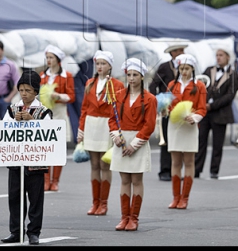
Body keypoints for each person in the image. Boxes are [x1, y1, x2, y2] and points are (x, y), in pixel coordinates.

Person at [1, 70, 53, 245]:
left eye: (28, 90)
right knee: (15, 196)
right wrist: (13, 122)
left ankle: (34, 231)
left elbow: (49, 133)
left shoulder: (44, 111)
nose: (24, 94)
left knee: (36, 198)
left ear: (36, 91)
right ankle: (15, 231)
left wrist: (32, 121)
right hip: (16, 159)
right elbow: (2, 130)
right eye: (21, 90)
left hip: (36, 162)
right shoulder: (11, 109)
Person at [110, 58, 157, 231]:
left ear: (142, 76)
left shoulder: (150, 99)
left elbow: (149, 125)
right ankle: (124, 217)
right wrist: (116, 137)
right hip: (122, 140)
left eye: (135, 75)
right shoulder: (119, 95)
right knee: (124, 180)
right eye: (129, 75)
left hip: (138, 140)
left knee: (136, 180)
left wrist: (134, 144)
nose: (131, 78)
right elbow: (112, 119)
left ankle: (134, 218)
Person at [77, 50, 125, 216]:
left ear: (110, 66)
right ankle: (95, 202)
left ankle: (103, 203)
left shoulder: (117, 85)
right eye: (98, 63)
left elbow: (118, 109)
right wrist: (81, 129)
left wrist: (118, 131)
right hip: (91, 124)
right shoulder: (90, 82)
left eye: (103, 64)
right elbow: (84, 108)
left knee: (105, 164)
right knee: (94, 164)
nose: (100, 66)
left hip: (106, 125)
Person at [166, 53, 207, 210]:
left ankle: (185, 197)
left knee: (189, 161)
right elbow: (168, 105)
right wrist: (164, 110)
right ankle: (176, 197)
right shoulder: (171, 85)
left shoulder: (199, 86)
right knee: (175, 161)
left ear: (192, 69)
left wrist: (195, 117)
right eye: (181, 68)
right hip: (174, 125)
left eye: (187, 68)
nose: (184, 71)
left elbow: (202, 108)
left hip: (190, 126)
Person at [195, 47, 238, 179]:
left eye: (221, 55)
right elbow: (200, 86)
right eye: (217, 55)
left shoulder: (234, 75)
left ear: (228, 58)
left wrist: (212, 106)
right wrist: (203, 104)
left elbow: (229, 96)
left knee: (217, 144)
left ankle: (214, 170)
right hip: (205, 113)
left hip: (220, 113)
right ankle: (196, 169)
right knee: (200, 141)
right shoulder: (209, 70)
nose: (218, 57)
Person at [148, 42, 188, 182]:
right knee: (167, 140)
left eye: (183, 50)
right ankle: (165, 170)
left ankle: (176, 170)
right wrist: (158, 102)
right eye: (179, 50)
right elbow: (153, 85)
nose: (182, 52)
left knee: (180, 140)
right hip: (168, 109)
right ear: (172, 53)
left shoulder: (188, 67)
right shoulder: (164, 67)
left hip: (183, 109)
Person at [41, 44, 75, 192]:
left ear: (58, 59)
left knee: (59, 149)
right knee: (46, 148)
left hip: (60, 113)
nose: (48, 60)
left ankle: (55, 181)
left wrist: (58, 96)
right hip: (45, 114)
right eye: (47, 57)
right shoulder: (43, 76)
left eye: (51, 57)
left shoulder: (67, 76)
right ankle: (46, 179)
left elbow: (72, 97)